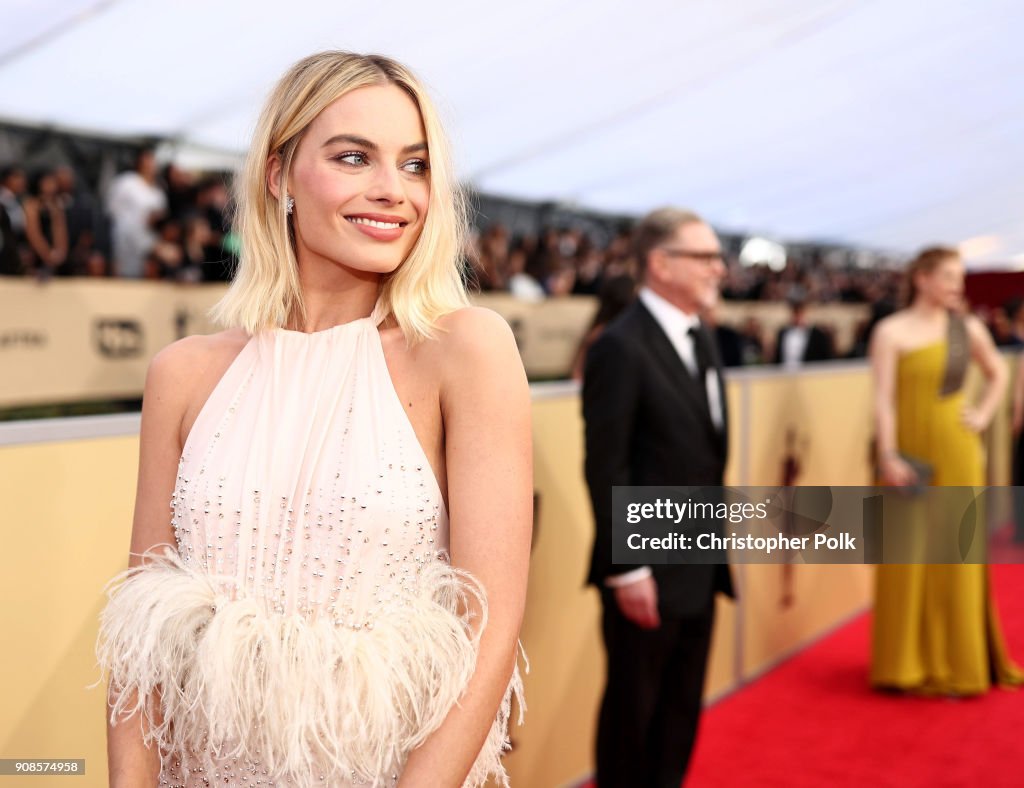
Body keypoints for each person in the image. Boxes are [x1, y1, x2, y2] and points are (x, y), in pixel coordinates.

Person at [96, 51, 530, 786]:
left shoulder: (465, 350)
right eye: (355, 157)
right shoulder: (183, 373)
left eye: (416, 165)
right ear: (278, 174)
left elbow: (486, 631)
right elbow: (141, 642)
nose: (393, 191)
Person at [583, 208, 734, 787]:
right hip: (646, 570)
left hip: (701, 560)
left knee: (679, 710)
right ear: (660, 263)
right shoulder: (619, 347)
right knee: (633, 712)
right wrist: (627, 568)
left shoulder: (702, 337)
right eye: (705, 256)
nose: (719, 268)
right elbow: (606, 465)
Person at [869, 245, 1022, 694]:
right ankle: (903, 665)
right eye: (949, 276)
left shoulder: (967, 328)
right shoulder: (890, 331)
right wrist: (888, 455)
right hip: (909, 453)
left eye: (960, 277)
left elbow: (998, 373)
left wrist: (982, 415)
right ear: (922, 278)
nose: (957, 285)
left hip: (957, 451)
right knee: (905, 551)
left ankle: (959, 662)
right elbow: (883, 400)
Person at [773, 297, 833, 367]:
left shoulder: (817, 335)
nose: (798, 316)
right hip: (784, 373)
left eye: (801, 312)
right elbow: (778, 357)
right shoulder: (782, 333)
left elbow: (824, 359)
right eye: (795, 312)